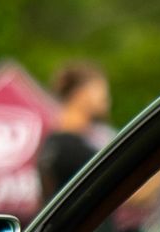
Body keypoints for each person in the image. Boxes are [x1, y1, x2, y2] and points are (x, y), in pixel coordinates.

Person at [36, 59, 113, 198]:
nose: (107, 99)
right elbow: (133, 194)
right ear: (81, 94)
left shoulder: (51, 143)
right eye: (101, 92)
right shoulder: (73, 149)